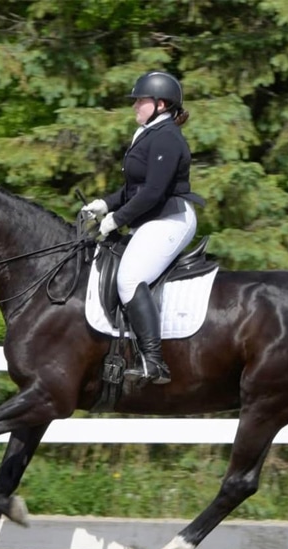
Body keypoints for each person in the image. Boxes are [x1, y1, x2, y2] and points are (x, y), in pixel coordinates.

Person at [79, 71, 205, 385]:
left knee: (131, 277)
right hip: (154, 216)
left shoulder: (166, 137)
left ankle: (153, 362)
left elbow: (152, 192)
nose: (135, 105)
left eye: (141, 100)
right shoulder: (149, 133)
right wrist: (104, 205)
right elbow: (134, 189)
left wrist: (116, 220)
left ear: (161, 104)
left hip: (171, 219)